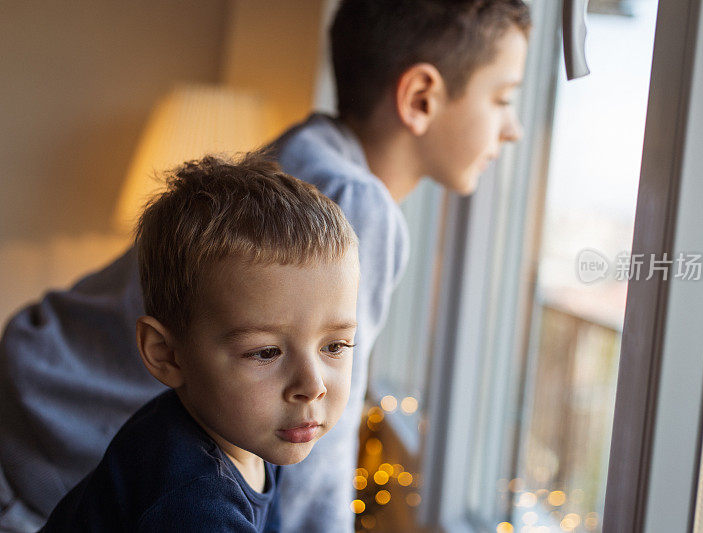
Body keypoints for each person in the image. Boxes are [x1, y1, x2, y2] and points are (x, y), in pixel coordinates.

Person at [0, 1, 531, 531]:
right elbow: (318, 468)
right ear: (420, 97)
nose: (514, 129)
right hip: (45, 448)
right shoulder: (353, 198)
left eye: (335, 347)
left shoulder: (306, 146)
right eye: (503, 98)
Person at [41, 153, 360, 532]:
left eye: (335, 346)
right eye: (265, 352)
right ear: (166, 355)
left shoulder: (251, 432)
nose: (312, 386)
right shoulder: (191, 504)